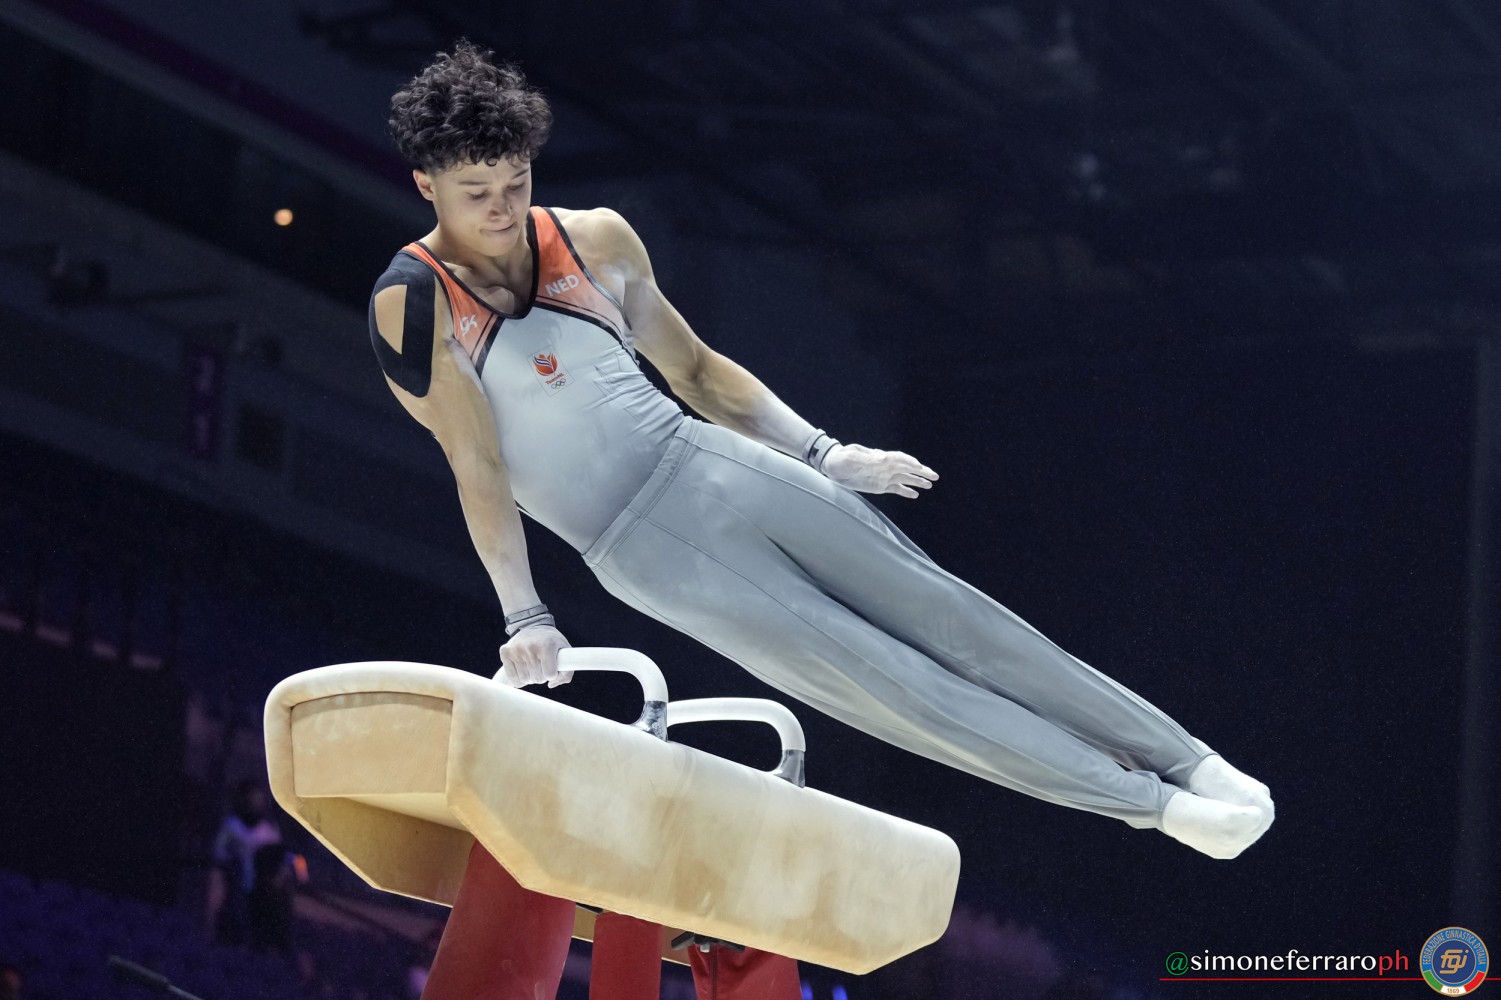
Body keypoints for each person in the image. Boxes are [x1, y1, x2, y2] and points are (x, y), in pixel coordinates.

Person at [370, 41, 1274, 864]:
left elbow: (696, 370)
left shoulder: (595, 237)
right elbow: (476, 464)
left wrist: (823, 452)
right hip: (642, 546)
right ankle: (1152, 807)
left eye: (516, 181)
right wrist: (524, 615)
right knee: (894, 685)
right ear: (426, 186)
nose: (502, 208)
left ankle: (1188, 760)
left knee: (949, 615)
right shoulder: (414, 303)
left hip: (713, 459)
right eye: (476, 193)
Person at [208, 780, 283, 946]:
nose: (256, 803)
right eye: (253, 799)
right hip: (234, 882)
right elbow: (218, 853)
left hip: (261, 887)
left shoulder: (269, 831)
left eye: (259, 800)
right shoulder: (232, 826)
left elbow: (278, 858)